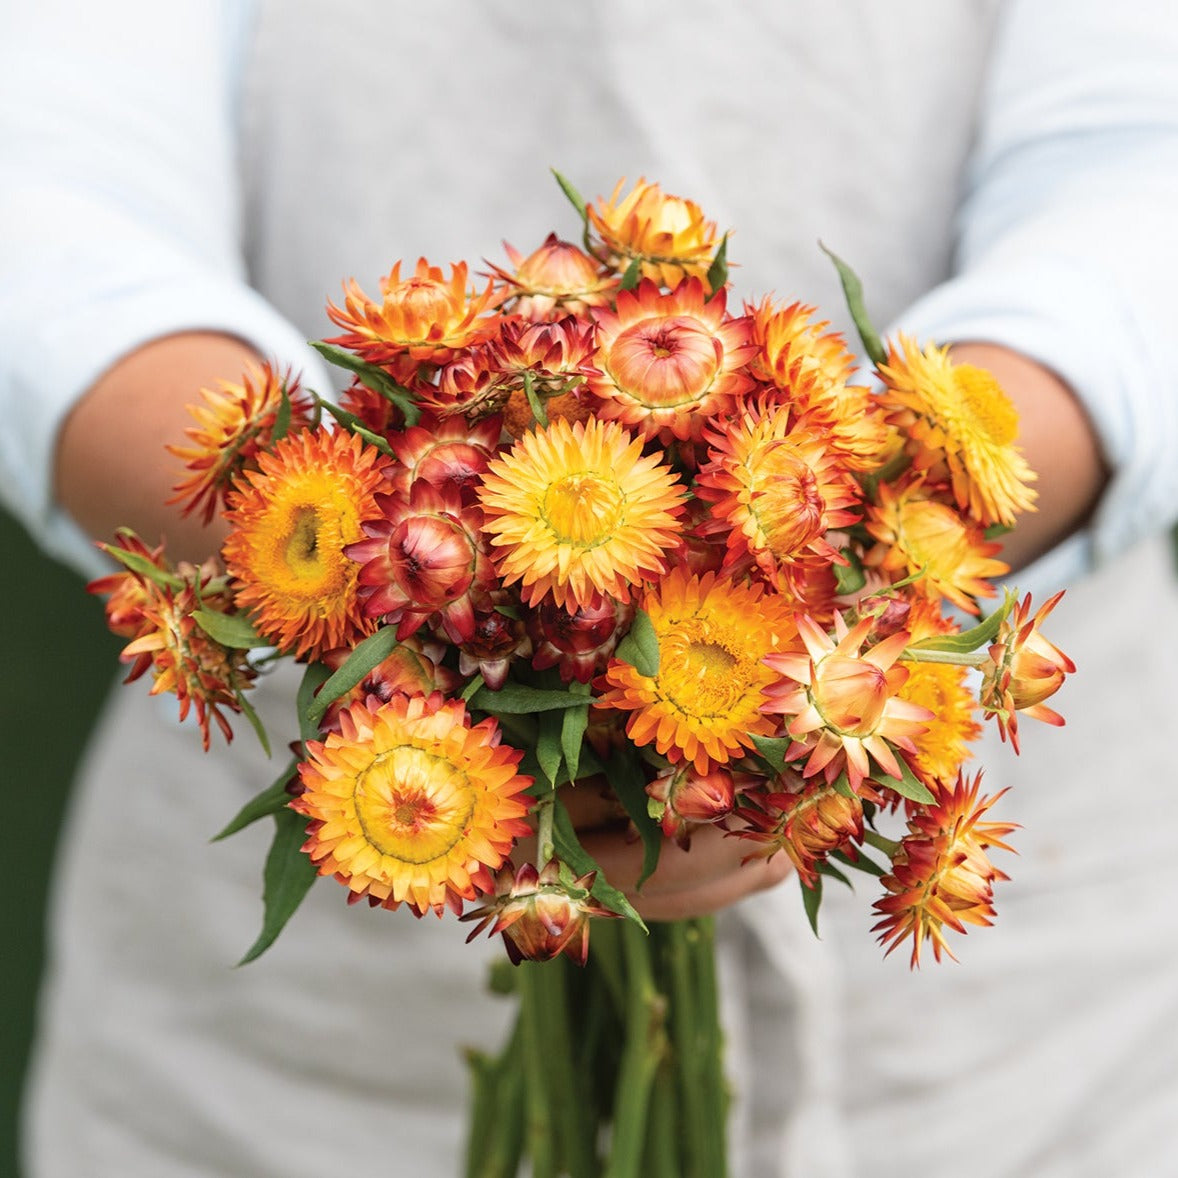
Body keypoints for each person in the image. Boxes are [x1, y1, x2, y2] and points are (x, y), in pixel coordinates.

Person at [3, 1, 1177, 1174]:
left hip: (1022, 1047)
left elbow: (1140, 171)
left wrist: (849, 555)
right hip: (293, 1059)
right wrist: (397, 586)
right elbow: (51, 194)